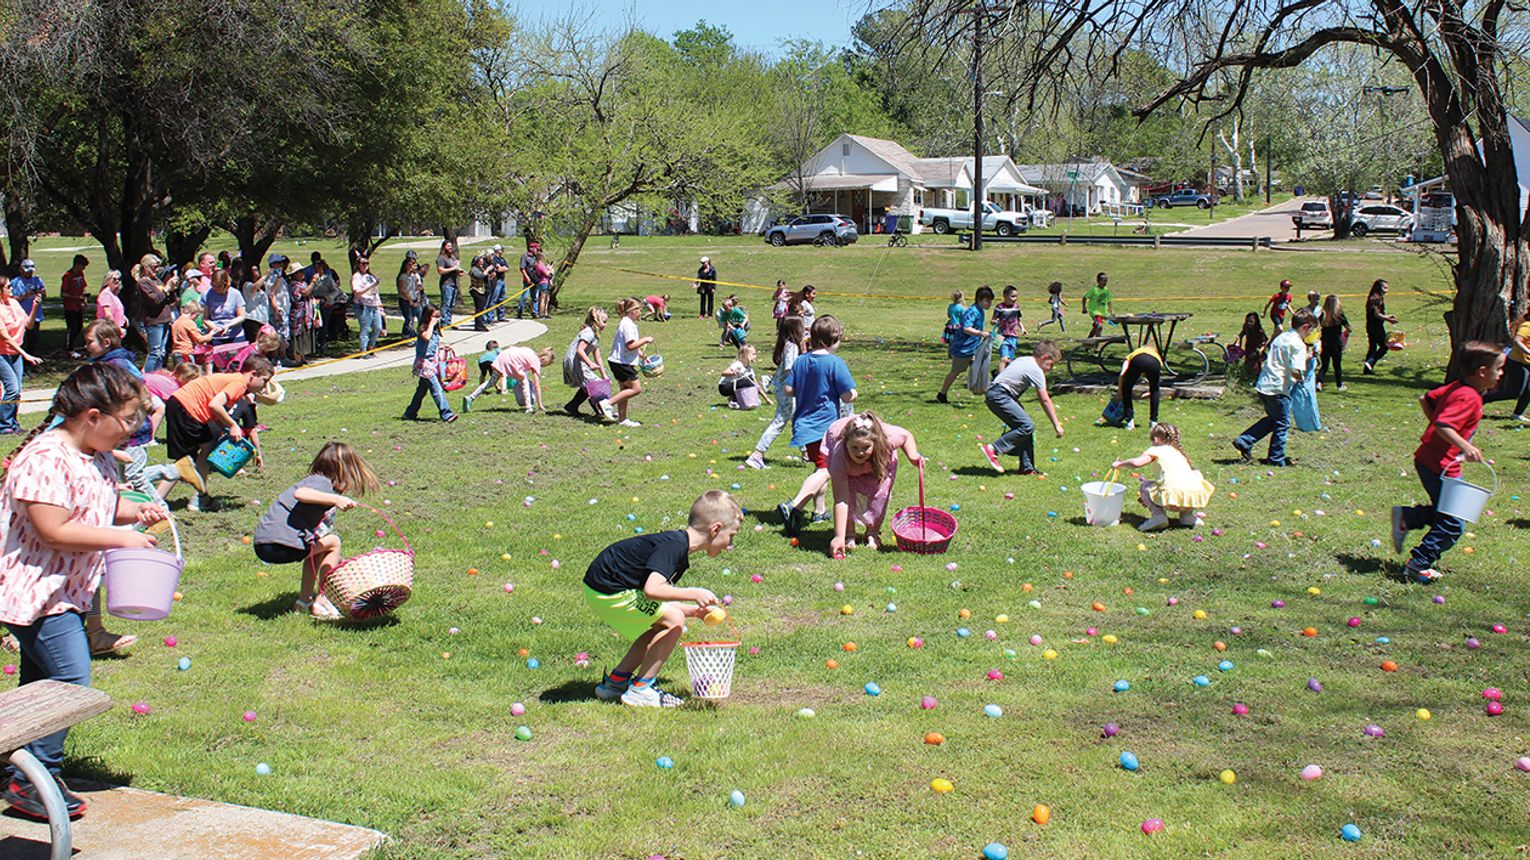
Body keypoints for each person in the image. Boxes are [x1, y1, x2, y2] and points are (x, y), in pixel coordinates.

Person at [0, 362, 166, 821]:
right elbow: (52, 528)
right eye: (128, 419)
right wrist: (122, 539)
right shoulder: (44, 459)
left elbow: (102, 505)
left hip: (66, 592)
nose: (134, 430)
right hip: (34, 592)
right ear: (92, 417)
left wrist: (136, 514)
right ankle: (33, 778)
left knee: (38, 685)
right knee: (72, 683)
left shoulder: (96, 457)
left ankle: (16, 759)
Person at [583, 490, 738, 708]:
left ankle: (615, 684)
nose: (730, 545)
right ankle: (641, 689)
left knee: (664, 622)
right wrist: (694, 593)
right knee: (674, 620)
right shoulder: (675, 546)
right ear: (716, 529)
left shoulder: (678, 547)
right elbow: (652, 590)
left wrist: (695, 611)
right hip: (609, 589)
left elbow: (658, 599)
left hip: (602, 588)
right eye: (732, 536)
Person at [1391, 341, 1504, 582]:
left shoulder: (1459, 387)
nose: (1501, 374)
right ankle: (1418, 563)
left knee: (1450, 513)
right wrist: (1465, 446)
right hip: (1440, 465)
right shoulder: (1468, 397)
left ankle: (1408, 518)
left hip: (1432, 459)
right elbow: (1443, 424)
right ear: (1482, 372)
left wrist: (1443, 433)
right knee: (1454, 522)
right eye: (1499, 369)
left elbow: (1426, 398)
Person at [253, 441, 381, 620]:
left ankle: (304, 602)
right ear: (342, 470)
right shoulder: (321, 482)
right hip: (280, 545)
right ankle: (323, 601)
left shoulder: (316, 482)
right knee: (334, 542)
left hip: (264, 544)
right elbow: (301, 494)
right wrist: (335, 499)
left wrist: (338, 562)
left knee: (319, 549)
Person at [777, 315, 857, 536]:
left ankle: (819, 511)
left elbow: (788, 390)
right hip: (825, 428)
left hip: (803, 424)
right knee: (826, 469)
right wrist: (853, 393)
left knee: (820, 467)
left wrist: (806, 387)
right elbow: (849, 396)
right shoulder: (835, 363)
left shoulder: (801, 360)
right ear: (829, 341)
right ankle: (794, 505)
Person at [165, 357, 275, 511]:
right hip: (185, 408)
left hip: (183, 407)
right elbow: (215, 405)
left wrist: (226, 428)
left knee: (208, 446)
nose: (264, 386)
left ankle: (199, 498)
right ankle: (156, 500)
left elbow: (215, 411)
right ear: (253, 374)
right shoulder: (239, 383)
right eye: (264, 380)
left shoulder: (235, 381)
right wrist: (233, 425)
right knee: (184, 461)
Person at [825, 411, 923, 557]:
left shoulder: (888, 440)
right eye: (855, 448)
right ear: (846, 444)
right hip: (847, 463)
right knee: (850, 492)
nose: (860, 453)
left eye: (865, 447)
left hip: (879, 459)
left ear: (875, 443)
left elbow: (906, 436)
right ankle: (848, 533)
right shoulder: (840, 456)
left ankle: (873, 532)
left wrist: (912, 455)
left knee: (880, 494)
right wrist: (838, 536)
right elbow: (841, 500)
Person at [1234, 308, 1317, 467]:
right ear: (1305, 327)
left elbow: (1283, 359)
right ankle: (1276, 458)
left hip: (1264, 384)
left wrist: (1305, 357)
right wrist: (1302, 382)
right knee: (1282, 423)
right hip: (1279, 388)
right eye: (1311, 330)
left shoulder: (1282, 337)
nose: (1310, 333)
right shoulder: (1299, 345)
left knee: (1274, 419)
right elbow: (1295, 370)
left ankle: (1244, 441)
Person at [979, 340, 1064, 475]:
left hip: (995, 392)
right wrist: (1056, 424)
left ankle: (1027, 467)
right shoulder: (1036, 370)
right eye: (1050, 365)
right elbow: (1045, 400)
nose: (1050, 369)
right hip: (1000, 395)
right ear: (1044, 358)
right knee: (1026, 426)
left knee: (1025, 427)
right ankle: (993, 449)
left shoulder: (1023, 359)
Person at [1112, 422, 1214, 531]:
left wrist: (1119, 464)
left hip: (1172, 499)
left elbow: (1136, 463)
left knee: (1145, 486)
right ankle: (1187, 516)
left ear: (1155, 439)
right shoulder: (1178, 452)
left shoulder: (1155, 450)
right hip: (1192, 498)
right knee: (1193, 476)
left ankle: (1158, 516)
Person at [745, 315, 805, 470]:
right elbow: (789, 368)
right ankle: (757, 455)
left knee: (797, 419)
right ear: (795, 330)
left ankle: (806, 454)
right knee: (780, 422)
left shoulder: (788, 344)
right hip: (787, 390)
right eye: (802, 327)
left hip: (783, 388)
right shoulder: (792, 346)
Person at [0, 275, 42, 435]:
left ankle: (13, 424)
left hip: (16, 353)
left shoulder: (14, 304)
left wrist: (34, 308)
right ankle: (4, 425)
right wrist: (26, 355)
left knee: (17, 391)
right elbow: (6, 338)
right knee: (12, 388)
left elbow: (28, 325)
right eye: (8, 287)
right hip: (3, 354)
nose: (11, 289)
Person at [402, 304, 458, 423]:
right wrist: (431, 324)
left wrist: (443, 347)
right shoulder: (423, 329)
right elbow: (426, 338)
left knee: (421, 391)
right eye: (435, 316)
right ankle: (446, 414)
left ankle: (410, 413)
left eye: (439, 316)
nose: (437, 319)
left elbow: (432, 345)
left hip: (432, 364)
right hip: (424, 365)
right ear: (428, 316)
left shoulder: (436, 330)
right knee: (437, 389)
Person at [937, 285, 993, 403]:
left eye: (990, 301)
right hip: (963, 349)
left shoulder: (980, 311)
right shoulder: (972, 311)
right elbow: (966, 328)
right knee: (955, 372)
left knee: (981, 369)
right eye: (987, 301)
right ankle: (942, 394)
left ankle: (990, 396)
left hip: (973, 348)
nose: (989, 303)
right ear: (979, 300)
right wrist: (981, 333)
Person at [463, 346, 554, 414]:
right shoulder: (536, 361)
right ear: (543, 359)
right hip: (511, 361)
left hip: (502, 357)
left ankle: (471, 397)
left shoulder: (529, 351)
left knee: (491, 382)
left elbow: (513, 349)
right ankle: (529, 407)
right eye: (545, 364)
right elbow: (536, 385)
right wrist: (540, 404)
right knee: (524, 382)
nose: (543, 366)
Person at [605, 297, 653, 428]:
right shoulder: (627, 324)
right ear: (632, 311)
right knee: (636, 389)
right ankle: (607, 404)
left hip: (619, 361)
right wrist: (645, 340)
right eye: (639, 310)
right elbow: (630, 346)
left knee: (625, 390)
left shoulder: (628, 322)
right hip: (622, 363)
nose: (641, 312)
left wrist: (641, 355)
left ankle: (622, 419)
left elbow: (631, 346)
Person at [563, 307, 613, 419]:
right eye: (604, 322)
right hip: (574, 361)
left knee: (590, 385)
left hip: (579, 361)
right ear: (596, 321)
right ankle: (599, 411)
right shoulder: (588, 333)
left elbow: (598, 357)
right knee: (594, 385)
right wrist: (590, 364)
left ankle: (572, 406)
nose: (606, 325)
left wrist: (603, 374)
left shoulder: (595, 335)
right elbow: (580, 350)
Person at [133, 254, 175, 372]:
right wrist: (166, 289)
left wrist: (171, 289)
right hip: (155, 321)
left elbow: (167, 298)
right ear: (146, 267)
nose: (156, 270)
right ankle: (149, 376)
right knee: (155, 352)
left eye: (157, 267)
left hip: (165, 319)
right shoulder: (143, 283)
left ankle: (159, 374)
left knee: (162, 352)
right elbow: (154, 300)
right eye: (154, 267)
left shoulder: (156, 280)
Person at [1114, 343, 1162, 430]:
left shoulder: (1133, 354)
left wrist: (1120, 391)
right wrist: (1148, 394)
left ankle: (1130, 422)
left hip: (1138, 360)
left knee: (1127, 388)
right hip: (1154, 363)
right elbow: (1154, 390)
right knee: (1155, 390)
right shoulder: (1157, 356)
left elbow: (1122, 374)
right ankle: (1153, 422)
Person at [201, 270, 247, 347]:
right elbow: (205, 318)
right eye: (213, 285)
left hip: (235, 335)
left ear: (225, 284)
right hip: (216, 336)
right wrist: (215, 328)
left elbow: (241, 316)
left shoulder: (235, 294)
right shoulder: (207, 294)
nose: (216, 289)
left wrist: (228, 325)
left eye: (219, 286)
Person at [1362, 279, 1398, 374]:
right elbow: (1376, 314)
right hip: (1376, 327)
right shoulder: (1377, 298)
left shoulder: (1374, 297)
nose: (1387, 290)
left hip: (1370, 326)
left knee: (1372, 347)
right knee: (1385, 346)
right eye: (1384, 287)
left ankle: (1367, 369)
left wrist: (1387, 316)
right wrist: (1388, 319)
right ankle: (1370, 362)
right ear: (1379, 288)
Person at [1316, 294, 1352, 392]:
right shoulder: (1339, 315)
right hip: (1336, 342)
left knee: (1324, 365)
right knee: (1337, 365)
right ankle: (1339, 385)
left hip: (1325, 342)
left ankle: (1319, 382)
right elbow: (1349, 328)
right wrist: (1346, 333)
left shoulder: (1322, 315)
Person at [169, 292, 214, 367]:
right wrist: (211, 335)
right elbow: (200, 339)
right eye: (196, 316)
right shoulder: (189, 322)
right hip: (185, 353)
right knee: (189, 374)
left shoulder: (176, 322)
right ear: (193, 313)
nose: (196, 319)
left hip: (176, 352)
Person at [351, 255, 384, 357]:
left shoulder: (371, 276)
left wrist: (380, 306)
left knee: (378, 328)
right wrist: (370, 286)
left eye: (367, 263)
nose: (365, 265)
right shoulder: (356, 277)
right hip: (363, 306)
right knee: (365, 328)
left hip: (374, 305)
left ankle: (371, 347)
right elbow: (356, 292)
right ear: (358, 265)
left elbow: (376, 293)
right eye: (363, 263)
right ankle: (363, 350)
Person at [718, 344, 768, 409]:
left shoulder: (749, 369)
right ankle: (734, 400)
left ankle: (737, 400)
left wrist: (767, 399)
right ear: (746, 355)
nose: (755, 356)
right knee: (745, 381)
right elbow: (723, 373)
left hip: (735, 385)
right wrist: (733, 373)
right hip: (724, 387)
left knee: (749, 382)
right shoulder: (738, 364)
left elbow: (756, 385)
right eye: (753, 354)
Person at [11, 259, 45, 354]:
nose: (29, 273)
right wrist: (27, 294)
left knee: (34, 339)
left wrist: (41, 292)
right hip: (22, 315)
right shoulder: (16, 282)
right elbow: (14, 299)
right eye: (27, 271)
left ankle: (30, 360)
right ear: (21, 269)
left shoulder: (37, 280)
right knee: (23, 340)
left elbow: (44, 295)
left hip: (36, 315)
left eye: (31, 271)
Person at [990, 285, 1027, 370]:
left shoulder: (1016, 307)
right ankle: (1000, 380)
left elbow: (1018, 319)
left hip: (1013, 336)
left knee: (1010, 360)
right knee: (1004, 359)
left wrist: (1023, 328)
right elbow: (992, 321)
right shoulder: (999, 307)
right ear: (1005, 296)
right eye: (1012, 296)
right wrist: (996, 322)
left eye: (1016, 296)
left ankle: (1000, 374)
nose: (1015, 299)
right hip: (1002, 337)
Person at [60, 255, 90, 357]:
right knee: (72, 328)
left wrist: (84, 299)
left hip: (78, 306)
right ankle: (69, 349)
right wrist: (75, 297)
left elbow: (83, 288)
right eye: (82, 265)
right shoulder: (68, 276)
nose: (84, 268)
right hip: (70, 307)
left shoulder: (81, 275)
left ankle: (72, 346)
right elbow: (63, 293)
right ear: (77, 264)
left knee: (79, 326)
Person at [396, 253, 424, 338]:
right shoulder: (403, 276)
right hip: (405, 300)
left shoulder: (414, 276)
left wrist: (418, 298)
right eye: (410, 264)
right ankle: (407, 334)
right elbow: (403, 290)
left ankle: (420, 333)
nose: (412, 266)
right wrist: (410, 301)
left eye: (413, 264)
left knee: (420, 317)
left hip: (414, 298)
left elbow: (417, 288)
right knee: (409, 318)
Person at [435, 239, 463, 326]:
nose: (450, 248)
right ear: (444, 247)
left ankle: (449, 322)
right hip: (446, 284)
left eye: (451, 246)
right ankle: (444, 322)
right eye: (448, 246)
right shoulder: (441, 258)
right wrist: (454, 268)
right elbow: (440, 270)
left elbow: (455, 268)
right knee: (446, 304)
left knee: (451, 305)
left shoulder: (452, 257)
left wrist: (458, 271)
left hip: (453, 283)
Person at [1081, 272, 1114, 339]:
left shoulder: (1106, 290)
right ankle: (1097, 346)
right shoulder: (1094, 290)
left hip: (1103, 313)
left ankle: (1088, 342)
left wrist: (1112, 312)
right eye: (1103, 281)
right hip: (1095, 312)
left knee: (1095, 328)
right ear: (1098, 281)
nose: (1105, 283)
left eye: (1106, 281)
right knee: (1099, 326)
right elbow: (1084, 298)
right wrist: (1084, 308)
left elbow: (1109, 301)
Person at [468, 252, 491, 332]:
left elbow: (485, 278)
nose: (482, 261)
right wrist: (487, 270)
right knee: (479, 309)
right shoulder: (474, 269)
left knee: (481, 309)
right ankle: (478, 325)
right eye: (480, 260)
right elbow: (480, 276)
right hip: (475, 290)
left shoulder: (481, 268)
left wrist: (489, 275)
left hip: (481, 290)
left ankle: (480, 324)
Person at [517, 242, 540, 319]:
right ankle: (520, 312)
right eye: (536, 248)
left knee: (535, 297)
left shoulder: (536, 257)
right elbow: (522, 268)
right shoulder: (525, 257)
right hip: (527, 280)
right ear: (531, 248)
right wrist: (527, 278)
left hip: (535, 280)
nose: (537, 250)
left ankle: (535, 312)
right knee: (525, 296)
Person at [488, 244, 510, 323]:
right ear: (498, 250)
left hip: (502, 280)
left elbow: (507, 268)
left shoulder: (502, 259)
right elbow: (499, 269)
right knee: (494, 299)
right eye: (501, 249)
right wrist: (502, 268)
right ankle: (491, 317)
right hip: (496, 281)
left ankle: (501, 316)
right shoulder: (494, 259)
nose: (502, 250)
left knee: (501, 299)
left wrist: (502, 268)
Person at [695, 255, 717, 319]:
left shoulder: (712, 269)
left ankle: (710, 314)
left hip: (710, 287)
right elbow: (698, 277)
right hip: (703, 287)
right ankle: (702, 314)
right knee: (702, 301)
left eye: (704, 262)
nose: (703, 264)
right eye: (702, 263)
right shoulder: (701, 270)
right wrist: (696, 284)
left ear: (707, 262)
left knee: (710, 301)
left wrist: (714, 288)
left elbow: (714, 279)